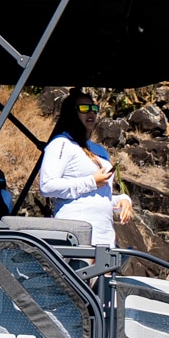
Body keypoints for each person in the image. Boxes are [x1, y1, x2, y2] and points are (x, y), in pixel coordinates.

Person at [36, 91, 120, 246]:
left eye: (94, 108)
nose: (90, 112)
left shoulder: (100, 151)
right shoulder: (61, 144)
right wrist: (92, 182)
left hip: (104, 236)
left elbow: (99, 196)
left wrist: (122, 200)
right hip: (77, 237)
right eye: (83, 108)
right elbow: (47, 186)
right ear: (71, 113)